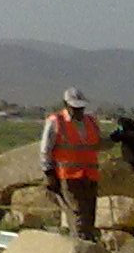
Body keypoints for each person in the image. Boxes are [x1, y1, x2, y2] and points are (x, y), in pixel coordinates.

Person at [41, 88, 104, 241]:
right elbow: (45, 150)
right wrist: (49, 174)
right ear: (66, 105)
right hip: (67, 176)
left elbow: (99, 144)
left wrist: (118, 135)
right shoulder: (56, 122)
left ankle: (87, 247)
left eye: (81, 107)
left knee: (89, 216)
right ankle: (81, 248)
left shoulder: (91, 122)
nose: (78, 111)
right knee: (78, 216)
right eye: (75, 107)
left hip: (89, 177)